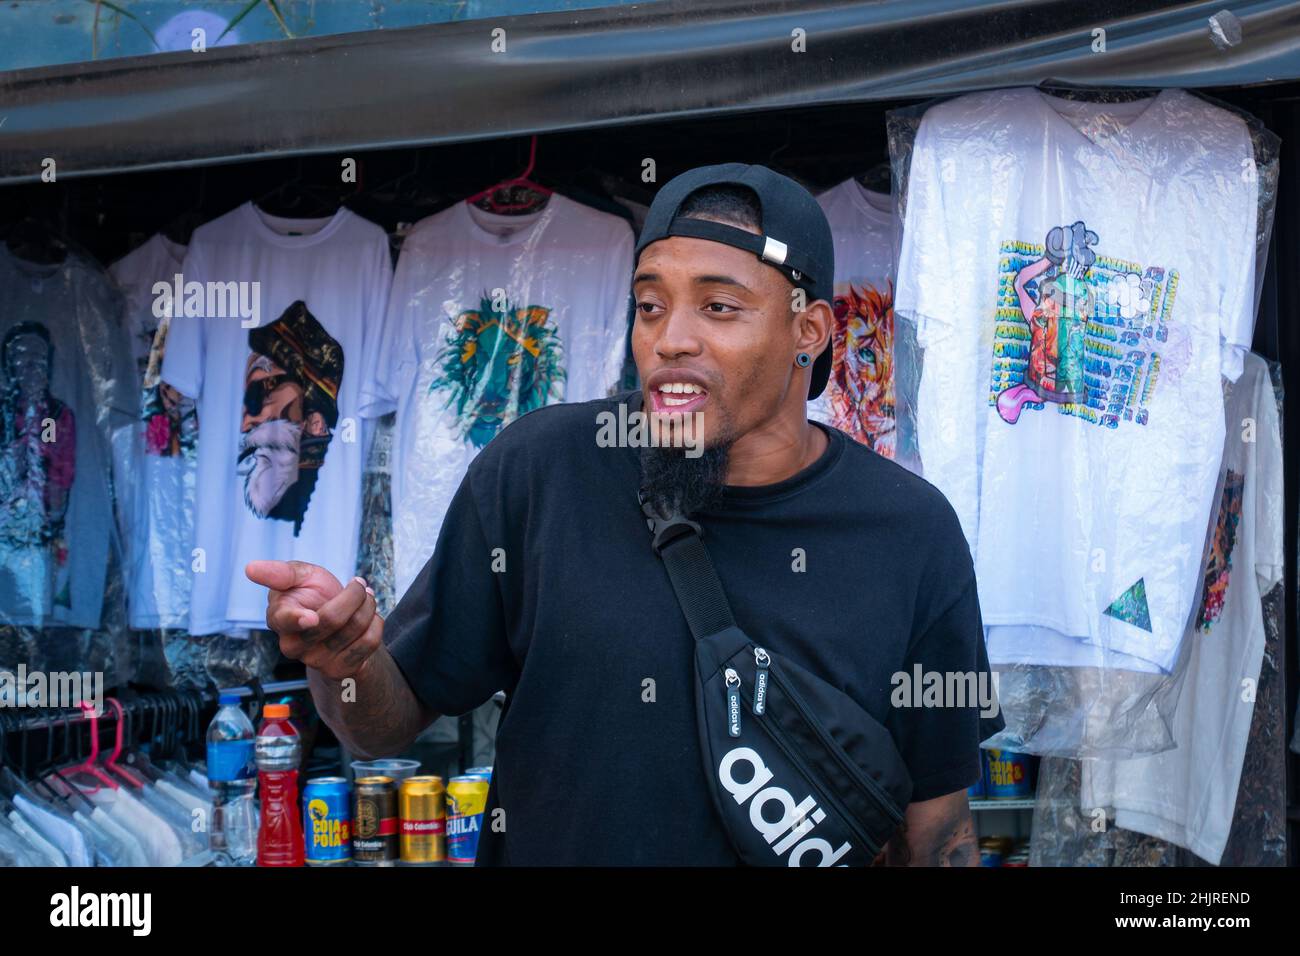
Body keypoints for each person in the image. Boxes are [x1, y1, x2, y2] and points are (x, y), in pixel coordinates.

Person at [248, 164, 1001, 866]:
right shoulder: (540, 470)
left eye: (719, 306)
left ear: (809, 332)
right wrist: (341, 666)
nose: (669, 339)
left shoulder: (910, 531)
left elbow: (939, 827)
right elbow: (382, 723)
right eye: (649, 304)